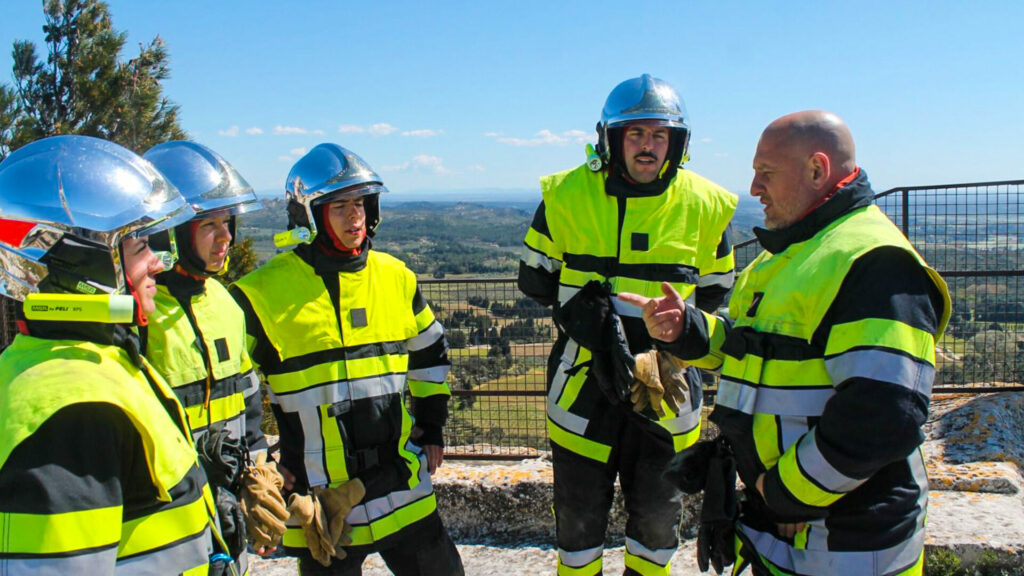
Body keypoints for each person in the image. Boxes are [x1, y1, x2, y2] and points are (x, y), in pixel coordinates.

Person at [620, 111, 950, 576]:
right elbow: (752, 351)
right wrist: (686, 329)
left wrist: (781, 494)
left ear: (817, 170)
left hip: (847, 542)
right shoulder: (791, 255)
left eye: (766, 174)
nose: (753, 189)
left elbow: (882, 418)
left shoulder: (875, 263)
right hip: (783, 528)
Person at [518, 74, 737, 576]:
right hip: (582, 390)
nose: (647, 146)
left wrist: (673, 343)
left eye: (659, 135)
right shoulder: (566, 195)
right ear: (610, 139)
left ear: (677, 143)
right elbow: (534, 279)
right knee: (576, 524)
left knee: (659, 525)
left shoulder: (707, 207)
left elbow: (716, 299)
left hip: (668, 390)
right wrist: (590, 322)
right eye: (635, 134)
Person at [0, 135, 233, 574]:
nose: (160, 263)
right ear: (85, 268)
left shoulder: (88, 361)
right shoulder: (72, 408)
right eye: (142, 247)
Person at [230, 143, 464, 575]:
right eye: (338, 206)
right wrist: (256, 462)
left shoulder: (396, 277)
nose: (355, 216)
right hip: (320, 501)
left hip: (402, 487)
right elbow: (230, 381)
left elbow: (430, 353)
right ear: (309, 215)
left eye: (360, 203)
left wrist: (431, 425)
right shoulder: (259, 294)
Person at [143, 141, 276, 571]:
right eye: (208, 225)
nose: (226, 238)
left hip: (226, 512)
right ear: (169, 231)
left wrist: (259, 473)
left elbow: (248, 404)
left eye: (227, 223)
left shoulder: (224, 303)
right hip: (164, 521)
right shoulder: (138, 314)